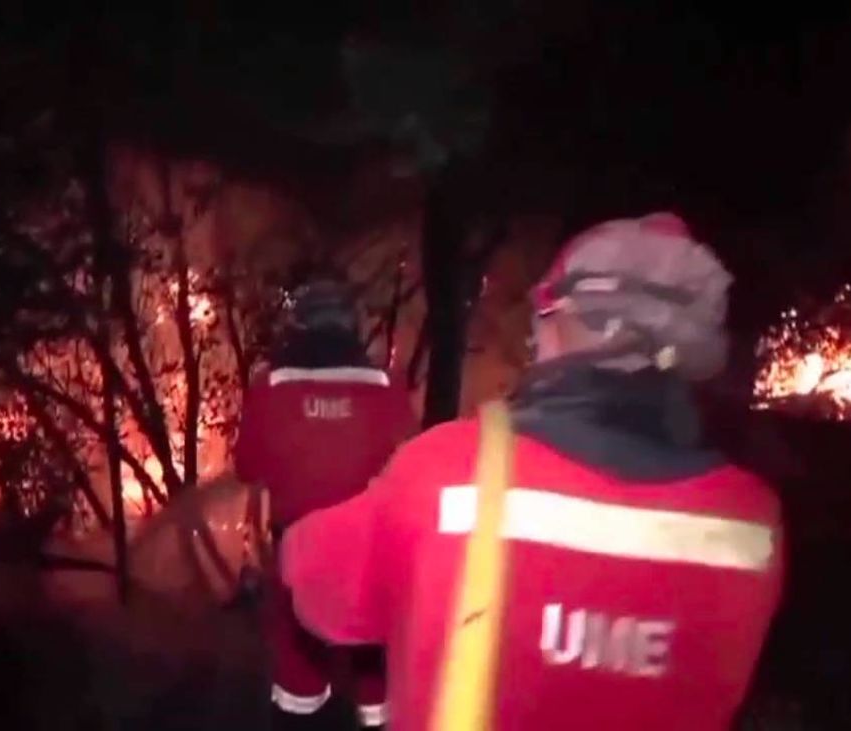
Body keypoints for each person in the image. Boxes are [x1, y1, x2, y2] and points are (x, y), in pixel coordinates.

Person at [279, 213, 784, 730]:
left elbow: (322, 590)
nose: (533, 340)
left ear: (580, 319)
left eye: (542, 316)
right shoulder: (753, 522)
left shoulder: (450, 469)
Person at [235, 275, 415, 729]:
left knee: (299, 680)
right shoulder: (386, 386)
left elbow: (247, 468)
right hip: (373, 556)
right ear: (351, 326)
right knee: (376, 681)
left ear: (298, 326)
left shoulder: (270, 387)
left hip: (299, 555)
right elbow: (410, 467)